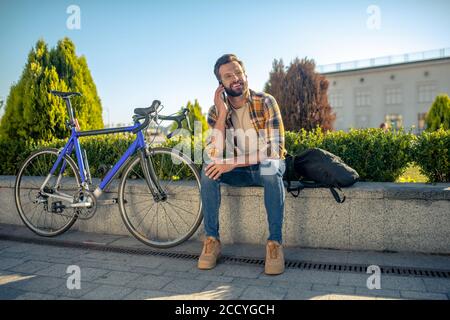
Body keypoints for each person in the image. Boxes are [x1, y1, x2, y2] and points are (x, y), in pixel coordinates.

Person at [198, 54, 287, 275]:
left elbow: (273, 150)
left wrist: (232, 162)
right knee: (208, 170)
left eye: (238, 72)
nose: (235, 78)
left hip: (268, 167)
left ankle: (274, 243)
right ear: (221, 85)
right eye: (228, 76)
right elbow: (213, 152)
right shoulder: (215, 111)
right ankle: (212, 240)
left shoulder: (266, 101)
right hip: (240, 170)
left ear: (245, 75)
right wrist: (222, 115)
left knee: (269, 168)